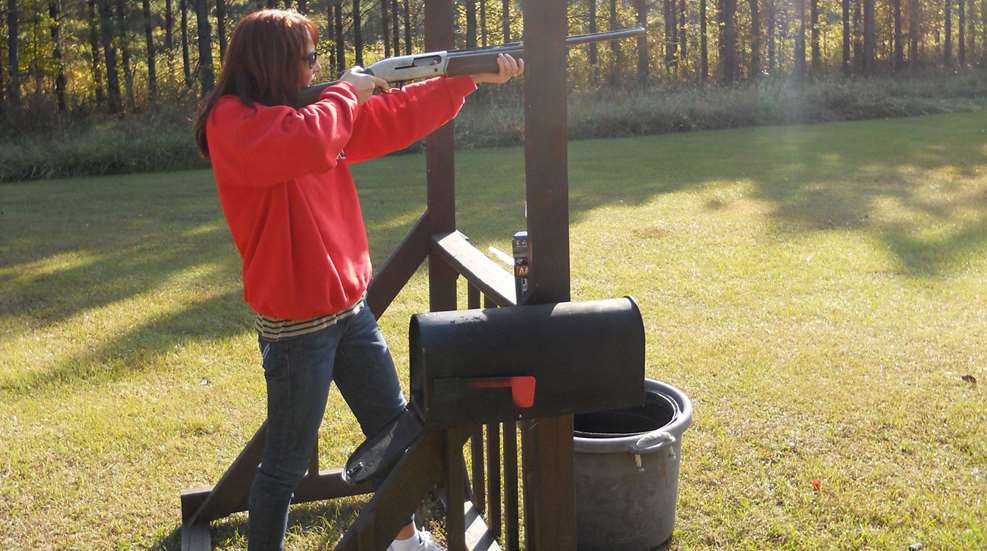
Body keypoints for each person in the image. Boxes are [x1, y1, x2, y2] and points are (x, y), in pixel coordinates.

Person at [192, 8, 522, 551]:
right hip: (297, 327)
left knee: (392, 432)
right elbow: (307, 141)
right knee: (284, 466)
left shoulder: (315, 114)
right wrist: (346, 91)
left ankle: (404, 539)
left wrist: (464, 78)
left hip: (349, 309)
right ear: (274, 63)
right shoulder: (235, 122)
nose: (316, 67)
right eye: (308, 58)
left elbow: (390, 117)